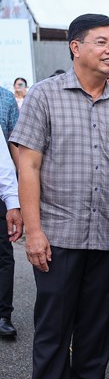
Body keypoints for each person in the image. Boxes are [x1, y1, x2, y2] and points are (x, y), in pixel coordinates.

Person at [10, 13, 109, 378]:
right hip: (58, 236)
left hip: (108, 236)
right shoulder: (44, 95)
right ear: (75, 47)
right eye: (102, 42)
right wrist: (34, 232)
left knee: (96, 334)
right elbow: (28, 166)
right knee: (53, 332)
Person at [0, 91, 21, 337]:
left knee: (3, 256)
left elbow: (5, 159)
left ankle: (3, 314)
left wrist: (14, 202)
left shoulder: (5, 98)